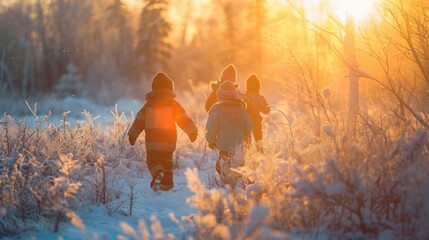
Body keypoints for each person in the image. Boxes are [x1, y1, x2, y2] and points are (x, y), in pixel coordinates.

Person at [128, 72, 198, 191]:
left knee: (152, 160)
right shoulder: (173, 105)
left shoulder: (148, 105)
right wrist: (192, 132)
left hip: (153, 141)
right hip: (168, 141)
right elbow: (183, 119)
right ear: (169, 89)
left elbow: (139, 121)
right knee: (167, 163)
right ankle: (167, 185)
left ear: (154, 88)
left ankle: (157, 172)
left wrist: (133, 134)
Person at [205, 81, 253, 183]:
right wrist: (248, 141)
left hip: (224, 146)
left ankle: (226, 182)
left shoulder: (217, 109)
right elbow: (249, 127)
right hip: (238, 145)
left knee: (221, 166)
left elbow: (211, 127)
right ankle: (235, 183)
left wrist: (211, 141)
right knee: (237, 166)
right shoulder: (242, 109)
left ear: (220, 96)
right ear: (235, 95)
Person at [242, 74, 270, 144]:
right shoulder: (259, 98)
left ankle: (246, 152)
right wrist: (268, 108)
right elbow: (265, 110)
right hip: (256, 121)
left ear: (247, 86)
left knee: (246, 140)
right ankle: (260, 152)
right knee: (258, 139)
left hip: (245, 121)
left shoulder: (244, 97)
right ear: (258, 87)